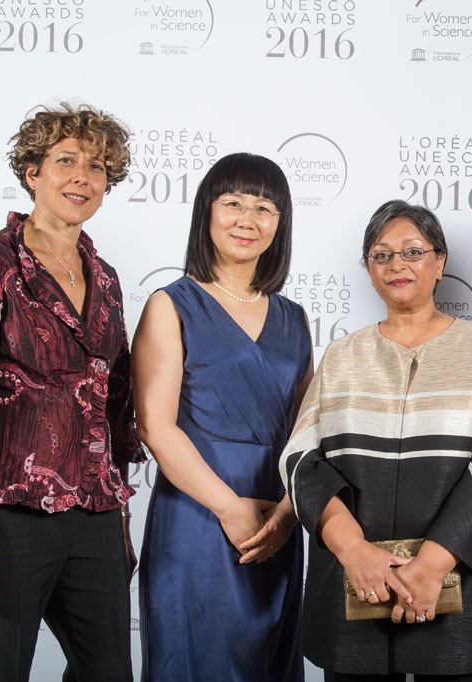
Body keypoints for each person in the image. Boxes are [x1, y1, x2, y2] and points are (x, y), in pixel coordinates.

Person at [0, 102, 143, 681]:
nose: (81, 177)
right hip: (4, 515)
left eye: (96, 167)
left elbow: (113, 411)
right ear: (32, 172)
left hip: (93, 515)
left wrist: (117, 521)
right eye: (65, 160)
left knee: (110, 673)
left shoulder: (108, 278)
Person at [279, 200, 472, 681]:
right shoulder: (342, 355)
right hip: (357, 583)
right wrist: (353, 549)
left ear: (440, 262)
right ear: (368, 268)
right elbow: (300, 459)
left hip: (459, 588)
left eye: (412, 251)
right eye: (381, 254)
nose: (396, 265)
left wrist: (432, 565)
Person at [133, 152, 313, 682]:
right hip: (196, 515)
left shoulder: (294, 317)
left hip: (277, 516)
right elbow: (155, 426)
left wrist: (287, 512)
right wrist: (229, 509)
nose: (247, 219)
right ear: (206, 212)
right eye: (232, 202)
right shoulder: (171, 304)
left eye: (264, 207)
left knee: (270, 663)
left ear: (280, 224)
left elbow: (307, 431)